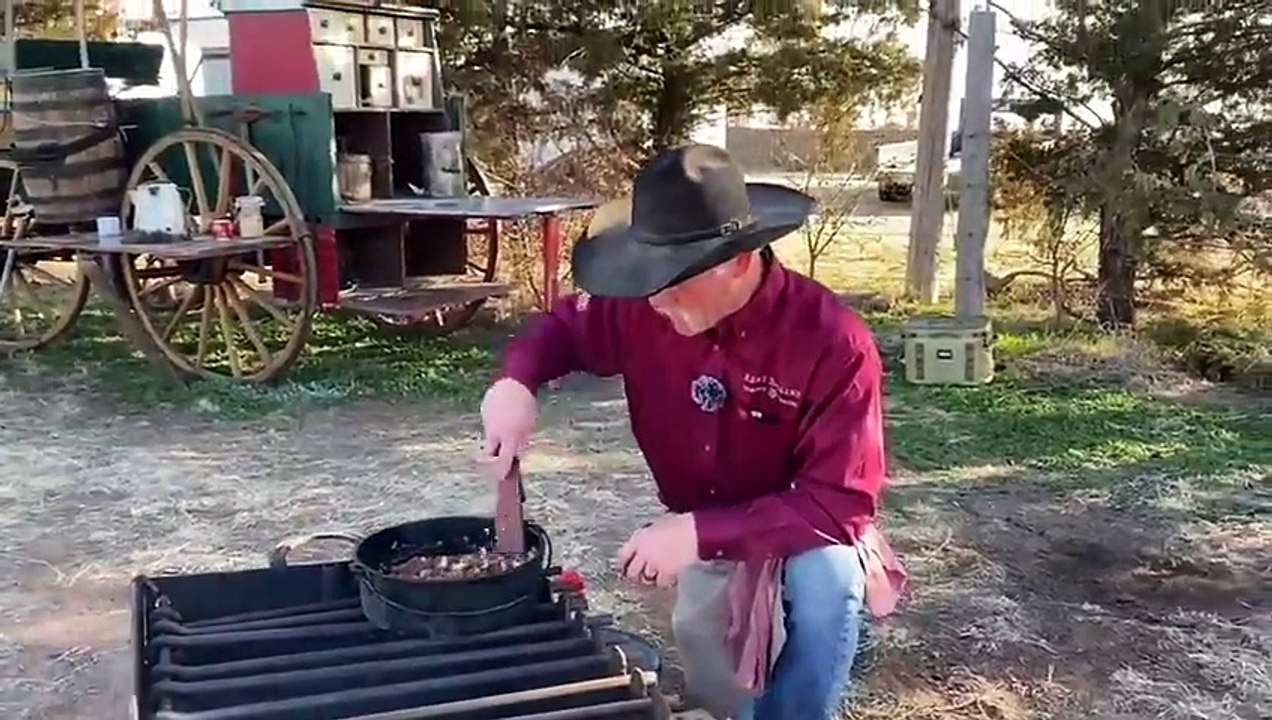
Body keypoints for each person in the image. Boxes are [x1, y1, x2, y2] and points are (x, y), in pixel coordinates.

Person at [478, 144, 905, 720]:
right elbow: (564, 327)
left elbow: (841, 504)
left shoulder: (833, 341)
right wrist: (516, 383)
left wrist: (701, 534)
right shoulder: (644, 307)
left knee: (828, 587)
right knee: (721, 683)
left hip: (797, 524)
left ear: (736, 261)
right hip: (701, 523)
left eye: (672, 280)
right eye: (647, 276)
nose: (654, 298)